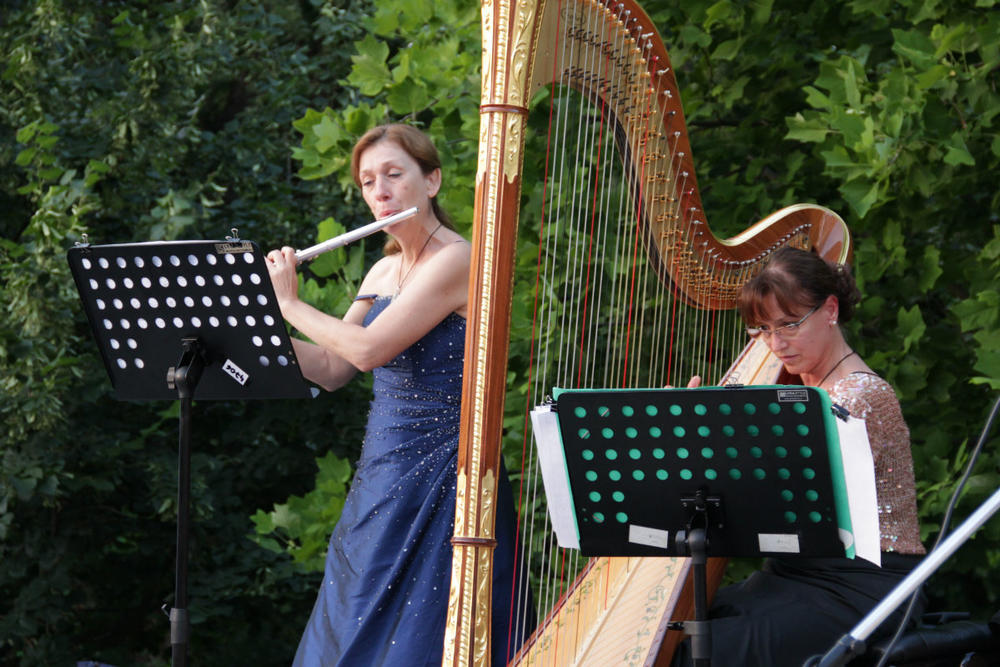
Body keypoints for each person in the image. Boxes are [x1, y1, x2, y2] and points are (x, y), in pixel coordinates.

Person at [266, 124, 522, 666]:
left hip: (446, 480)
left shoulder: (457, 259)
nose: (379, 191)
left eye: (393, 174)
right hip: (382, 475)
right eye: (367, 181)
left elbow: (366, 350)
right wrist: (249, 328)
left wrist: (289, 304)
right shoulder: (384, 268)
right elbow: (334, 367)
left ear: (431, 181)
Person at [672, 246, 926, 667]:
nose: (776, 344)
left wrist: (701, 444)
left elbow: (785, 509)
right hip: (792, 579)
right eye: (763, 329)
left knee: (699, 653)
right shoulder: (794, 389)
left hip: (861, 589)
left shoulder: (861, 397)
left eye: (789, 324)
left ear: (830, 310)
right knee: (666, 636)